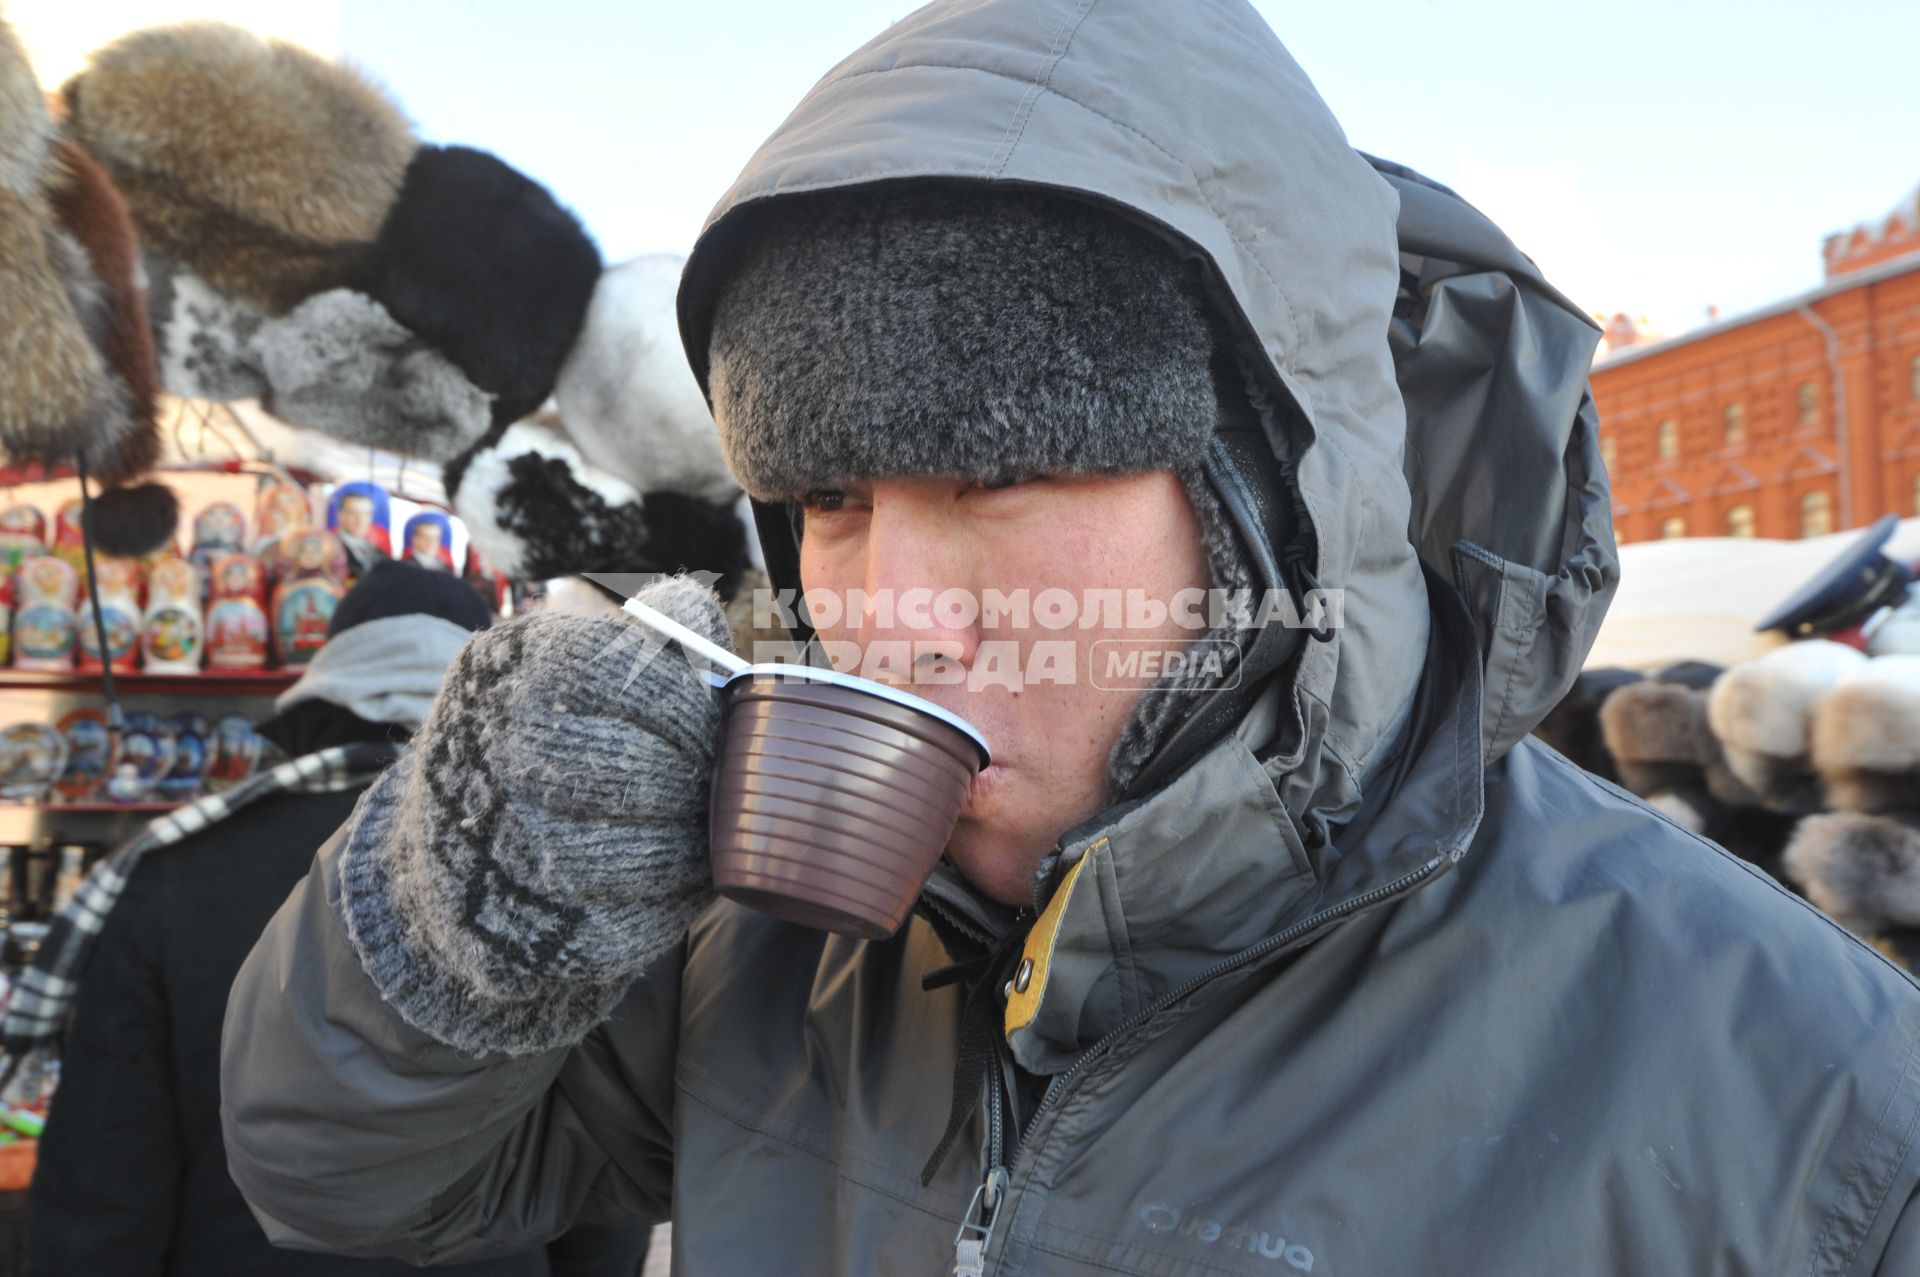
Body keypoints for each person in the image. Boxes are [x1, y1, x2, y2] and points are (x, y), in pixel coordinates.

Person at [221, 3, 1920, 1273]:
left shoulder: (1814, 1091)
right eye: (826, 501)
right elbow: (340, 1177)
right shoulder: (766, 953)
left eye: (1002, 472)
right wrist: (454, 911)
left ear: (1281, 490)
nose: (890, 616)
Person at [27, 561, 650, 1276]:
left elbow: (102, 1188)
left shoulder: (170, 876)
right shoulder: (551, 883)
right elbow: (601, 1195)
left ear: (322, 696)